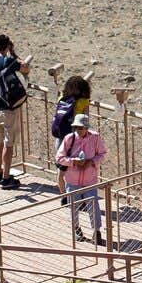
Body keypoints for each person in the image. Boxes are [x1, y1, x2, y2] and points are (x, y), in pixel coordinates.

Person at [0, 34, 31, 189]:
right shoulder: (8, 61)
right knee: (8, 144)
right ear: (7, 46)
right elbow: (25, 68)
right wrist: (14, 53)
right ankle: (6, 177)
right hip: (9, 108)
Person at [56, 113, 107, 242]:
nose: (79, 130)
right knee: (73, 207)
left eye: (82, 127)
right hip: (73, 180)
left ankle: (97, 232)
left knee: (93, 205)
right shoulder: (69, 139)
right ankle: (76, 229)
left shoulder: (95, 137)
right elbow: (59, 158)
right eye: (77, 127)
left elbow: (102, 154)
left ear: (86, 127)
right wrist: (74, 162)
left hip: (90, 180)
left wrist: (92, 161)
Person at [51, 75, 93, 205]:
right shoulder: (83, 102)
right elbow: (86, 120)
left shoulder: (61, 98)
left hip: (60, 137)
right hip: (75, 139)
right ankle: (79, 199)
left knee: (62, 168)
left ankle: (64, 196)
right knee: (77, 169)